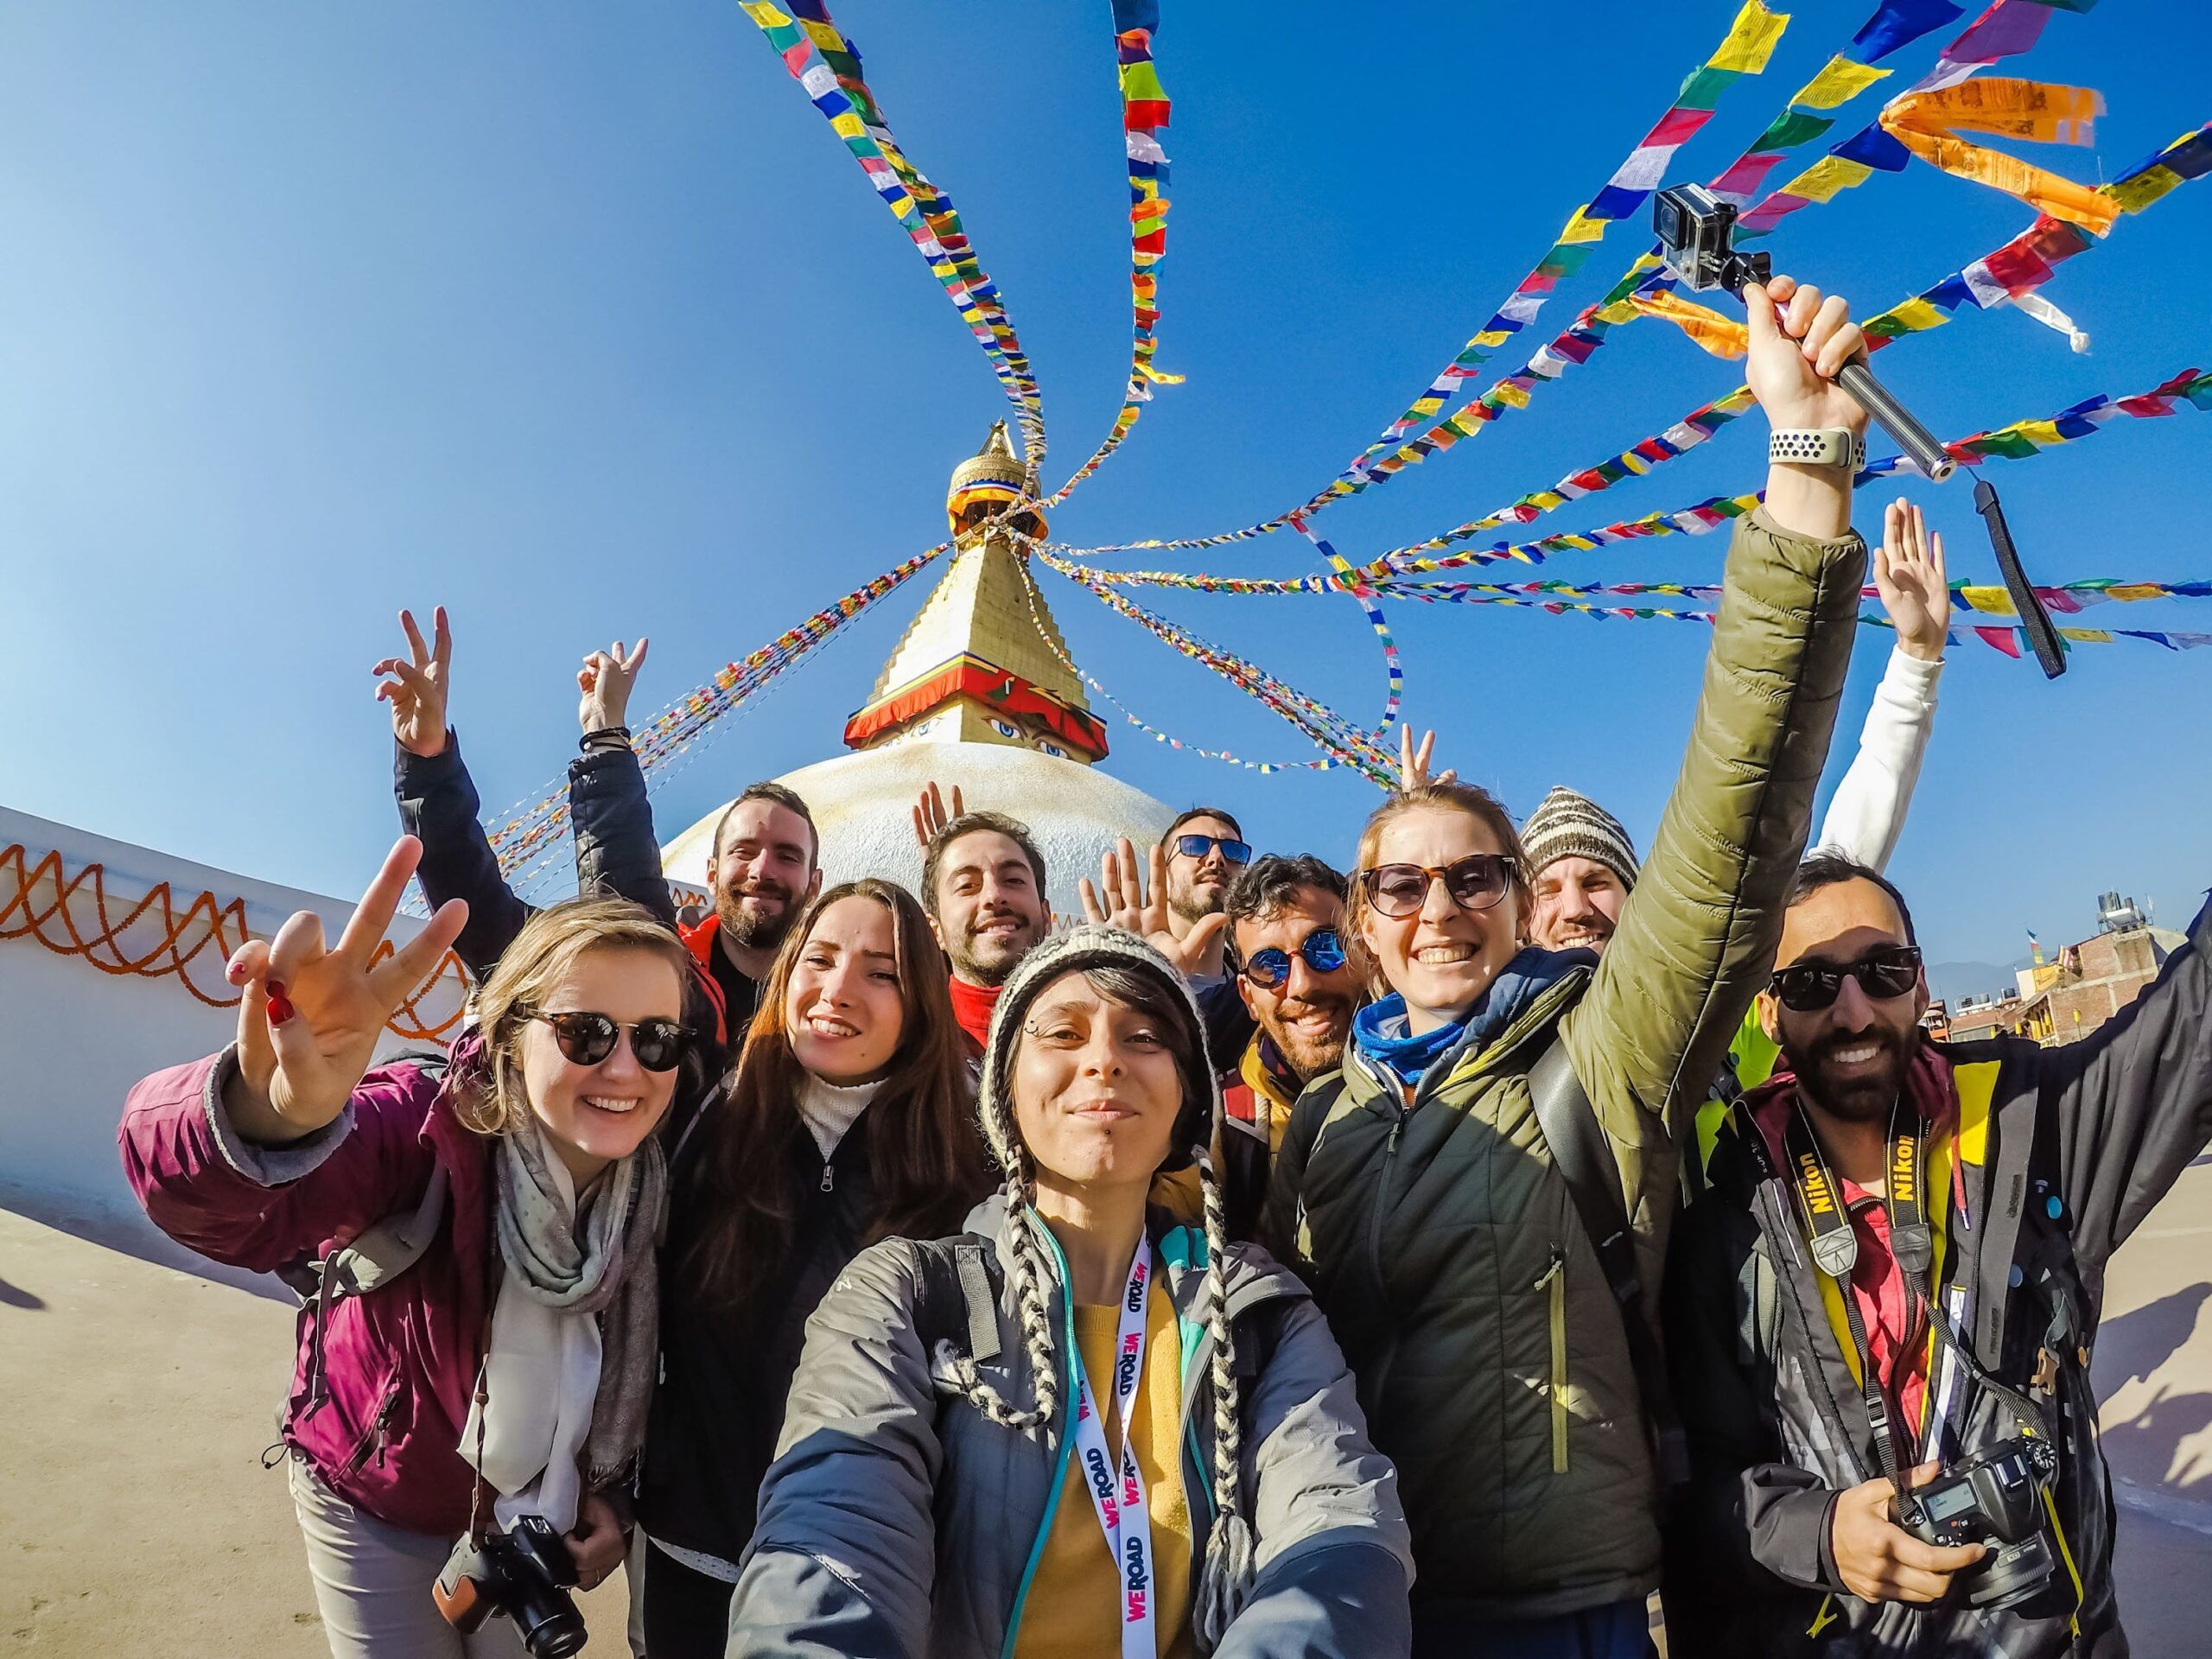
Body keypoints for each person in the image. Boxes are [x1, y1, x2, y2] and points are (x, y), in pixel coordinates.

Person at [1264, 271, 1873, 1656]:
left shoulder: (1600, 1051)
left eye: (1474, 877)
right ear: (1362, 924)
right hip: (1361, 1600)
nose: (1438, 910)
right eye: (1401, 886)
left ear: (1521, 901)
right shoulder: (1315, 1130)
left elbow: (1732, 828)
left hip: (1563, 1609)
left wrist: (1803, 470)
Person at [727, 926, 1414, 1657]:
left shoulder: (1257, 1311)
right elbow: (832, 1531)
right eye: (1063, 1034)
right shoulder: (906, 1295)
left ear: (1187, 1098)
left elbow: (1339, 1529)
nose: (1104, 1061)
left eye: (1144, 1037)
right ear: (1005, 1092)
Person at [118, 840, 693, 1658]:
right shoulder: (424, 1124)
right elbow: (211, 1209)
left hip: (526, 1531)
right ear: (512, 1029)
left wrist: (611, 1494)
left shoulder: (656, 1188)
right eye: (585, 1032)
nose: (627, 1067)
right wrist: (270, 1115)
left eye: (658, 1040)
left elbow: (651, 1372)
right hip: (373, 1503)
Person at [1663, 854, 2212, 1656]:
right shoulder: (1723, 1229)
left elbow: (2193, 1023)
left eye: (1883, 971)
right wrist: (1819, 1533)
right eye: (1812, 983)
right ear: (1769, 1013)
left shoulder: (2037, 1128)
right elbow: (1697, 1493)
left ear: (1921, 987)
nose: (1853, 1011)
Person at [634, 877, 992, 1656]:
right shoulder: (709, 1117)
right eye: (819, 960)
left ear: (924, 1003)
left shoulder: (968, 1167)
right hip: (693, 1544)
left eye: (881, 972)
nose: (837, 991)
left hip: (866, 1573)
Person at [1523, 495, 1951, 963]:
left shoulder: (1707, 978)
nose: (1574, 909)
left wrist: (1916, 658)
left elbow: (1846, 846)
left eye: (1596, 882)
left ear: (1633, 895)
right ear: (1521, 917)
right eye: (1546, 890)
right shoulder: (1486, 1023)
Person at [381, 608, 821, 1033]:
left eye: (787, 856)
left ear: (815, 884)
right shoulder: (656, 965)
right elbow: (483, 914)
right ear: (712, 873)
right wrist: (428, 766)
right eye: (744, 851)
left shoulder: (838, 1011)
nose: (763, 870)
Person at [1212, 853, 1359, 1238]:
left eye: (1326, 947)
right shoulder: (1220, 1125)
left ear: (1365, 952)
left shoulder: (1430, 1083)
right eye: (1269, 966)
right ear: (1247, 997)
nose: (1302, 984)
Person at [918, 804, 1054, 1052]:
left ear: (1046, 916)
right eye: (967, 885)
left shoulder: (1091, 1028)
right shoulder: (904, 1043)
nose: (994, 895)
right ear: (935, 930)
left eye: (1013, 880)